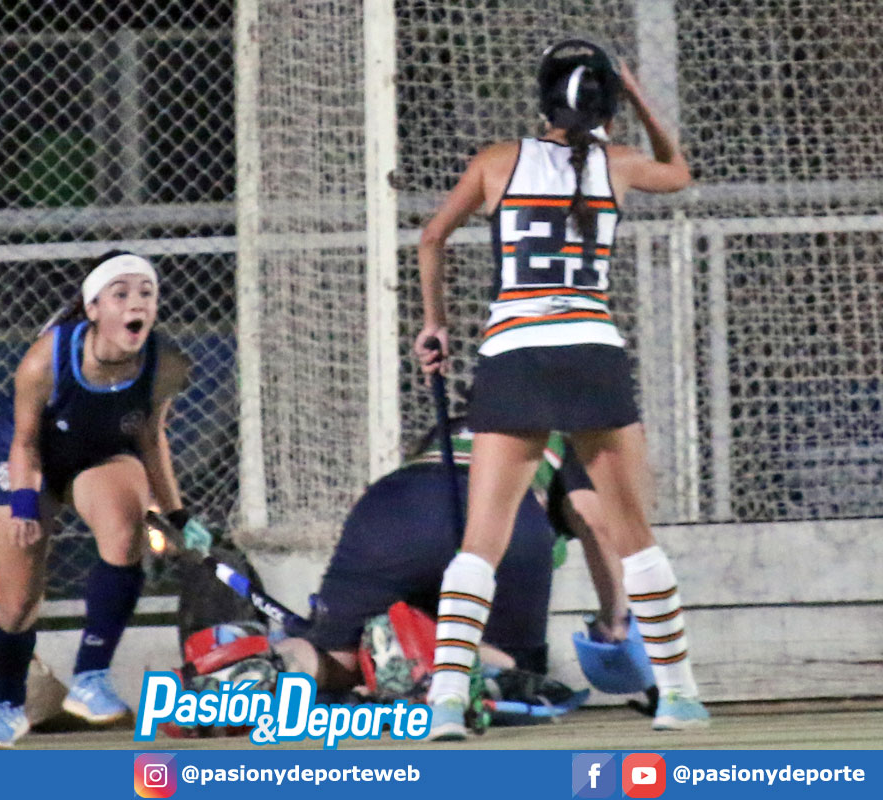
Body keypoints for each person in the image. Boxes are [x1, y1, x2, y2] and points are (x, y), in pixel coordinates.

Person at [414, 40, 709, 739]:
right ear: (607, 108)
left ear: (543, 100)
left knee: (480, 541)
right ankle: (678, 696)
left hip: (513, 355)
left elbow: (432, 238)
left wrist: (435, 325)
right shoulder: (619, 163)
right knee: (634, 537)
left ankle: (447, 700)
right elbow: (680, 171)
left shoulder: (496, 161)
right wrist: (638, 95)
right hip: (591, 353)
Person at [0, 251, 211, 749]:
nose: (136, 304)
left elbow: (151, 440)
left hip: (99, 454)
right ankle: (5, 706)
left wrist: (177, 514)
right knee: (18, 602)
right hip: (28, 458)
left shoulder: (164, 363)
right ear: (93, 308)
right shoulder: (45, 359)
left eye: (146, 293)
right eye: (120, 294)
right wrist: (23, 504)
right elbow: (24, 442)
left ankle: (90, 678)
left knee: (126, 533)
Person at [273, 423, 626, 698]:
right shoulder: (563, 442)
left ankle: (269, 670)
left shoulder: (446, 429)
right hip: (499, 510)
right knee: (518, 674)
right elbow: (592, 520)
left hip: (390, 504)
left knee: (335, 658)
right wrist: (614, 620)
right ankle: (430, 666)